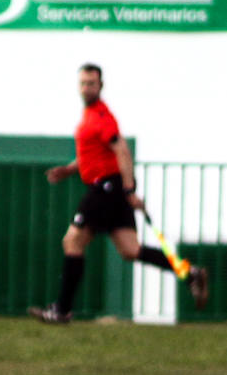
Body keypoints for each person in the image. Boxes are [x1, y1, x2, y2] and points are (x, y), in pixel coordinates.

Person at [31, 63, 208, 324]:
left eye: (91, 83)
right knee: (130, 249)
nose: (86, 88)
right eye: (83, 83)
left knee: (72, 242)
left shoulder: (103, 117)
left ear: (100, 86)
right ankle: (190, 273)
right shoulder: (90, 116)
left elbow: (122, 151)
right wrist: (70, 169)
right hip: (109, 187)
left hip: (106, 187)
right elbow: (94, 154)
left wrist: (129, 189)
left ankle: (61, 310)